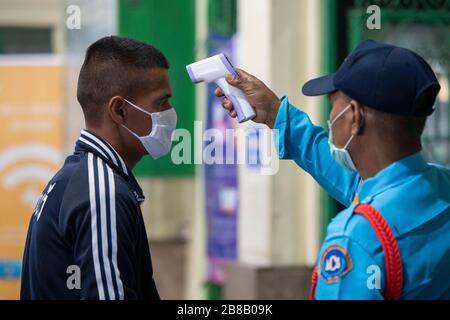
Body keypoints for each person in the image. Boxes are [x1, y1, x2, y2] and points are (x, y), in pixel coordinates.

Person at [215, 40, 450, 299]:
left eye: (332, 106)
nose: (330, 119)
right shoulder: (441, 186)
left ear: (354, 116)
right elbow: (346, 177)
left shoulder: (358, 238)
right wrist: (274, 112)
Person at [21, 36, 177, 299]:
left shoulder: (77, 176)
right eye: (161, 103)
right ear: (120, 111)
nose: (170, 113)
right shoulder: (102, 193)